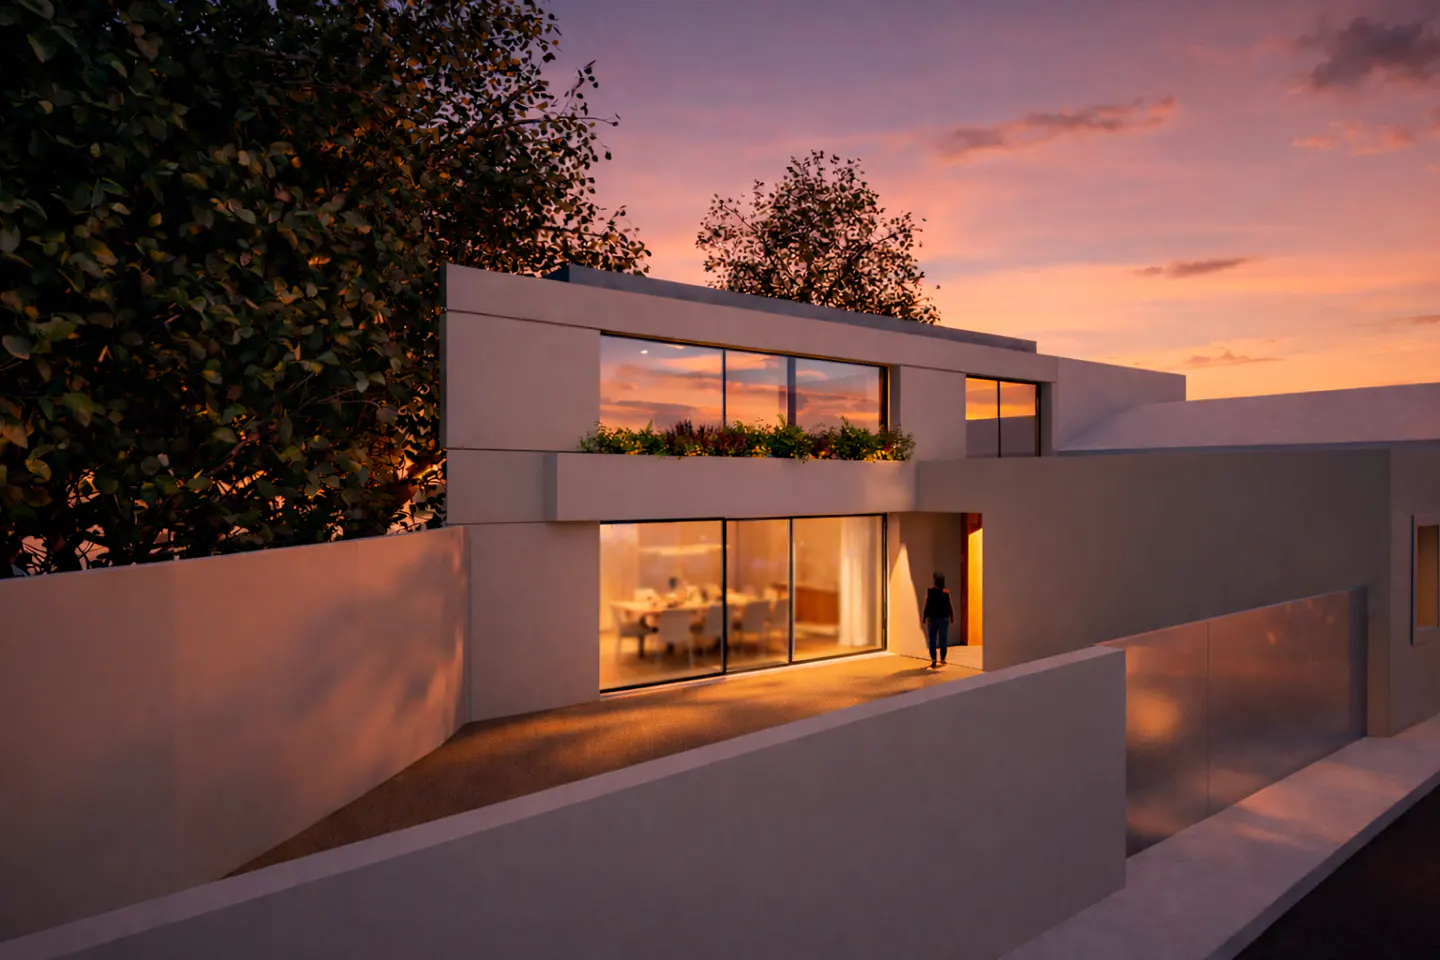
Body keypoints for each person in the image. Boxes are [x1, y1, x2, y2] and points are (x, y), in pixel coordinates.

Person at [922, 572, 955, 667]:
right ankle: (942, 658)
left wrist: (924, 617)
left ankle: (933, 659)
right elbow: (949, 606)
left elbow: (927, 605)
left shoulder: (930, 592)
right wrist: (951, 617)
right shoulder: (946, 593)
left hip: (932, 618)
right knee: (943, 639)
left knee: (932, 639)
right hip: (943, 618)